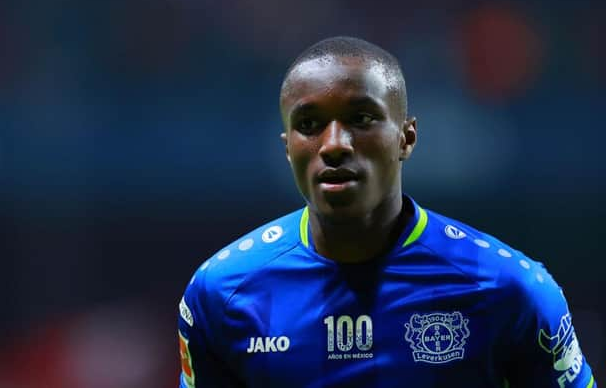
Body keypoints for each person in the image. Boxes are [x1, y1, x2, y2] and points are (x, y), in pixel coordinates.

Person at [177, 36, 597, 387]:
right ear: (287, 147)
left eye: (361, 118)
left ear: (406, 138)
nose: (334, 144)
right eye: (309, 124)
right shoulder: (222, 292)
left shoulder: (511, 290)